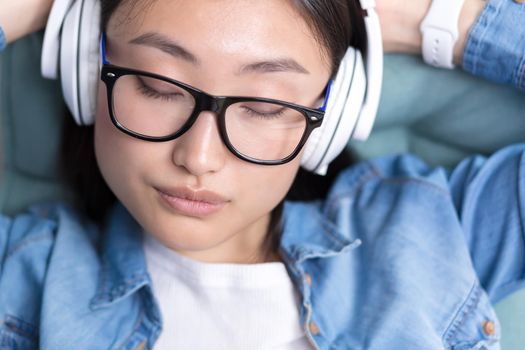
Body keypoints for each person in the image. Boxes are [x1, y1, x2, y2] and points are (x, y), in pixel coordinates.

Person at [0, 1, 523, 350]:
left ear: (333, 115)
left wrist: (438, 23)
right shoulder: (24, 281)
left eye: (265, 106)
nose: (198, 157)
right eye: (157, 86)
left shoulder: (422, 237)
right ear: (83, 70)